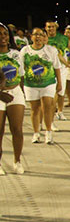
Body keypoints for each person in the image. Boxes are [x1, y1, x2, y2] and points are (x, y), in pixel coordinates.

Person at [20, 28, 62, 144]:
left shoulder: (51, 50)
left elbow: (57, 67)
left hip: (48, 83)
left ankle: (48, 133)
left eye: (41, 35)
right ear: (31, 37)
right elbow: (20, 68)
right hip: (31, 84)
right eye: (35, 35)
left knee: (47, 106)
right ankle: (36, 133)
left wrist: (59, 82)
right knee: (35, 109)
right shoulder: (25, 51)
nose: (38, 37)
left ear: (44, 37)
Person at [0, 23, 25, 174]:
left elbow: (20, 76)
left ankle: (17, 161)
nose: (2, 37)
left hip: (14, 92)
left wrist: (19, 93)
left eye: (4, 34)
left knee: (17, 129)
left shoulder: (16, 54)